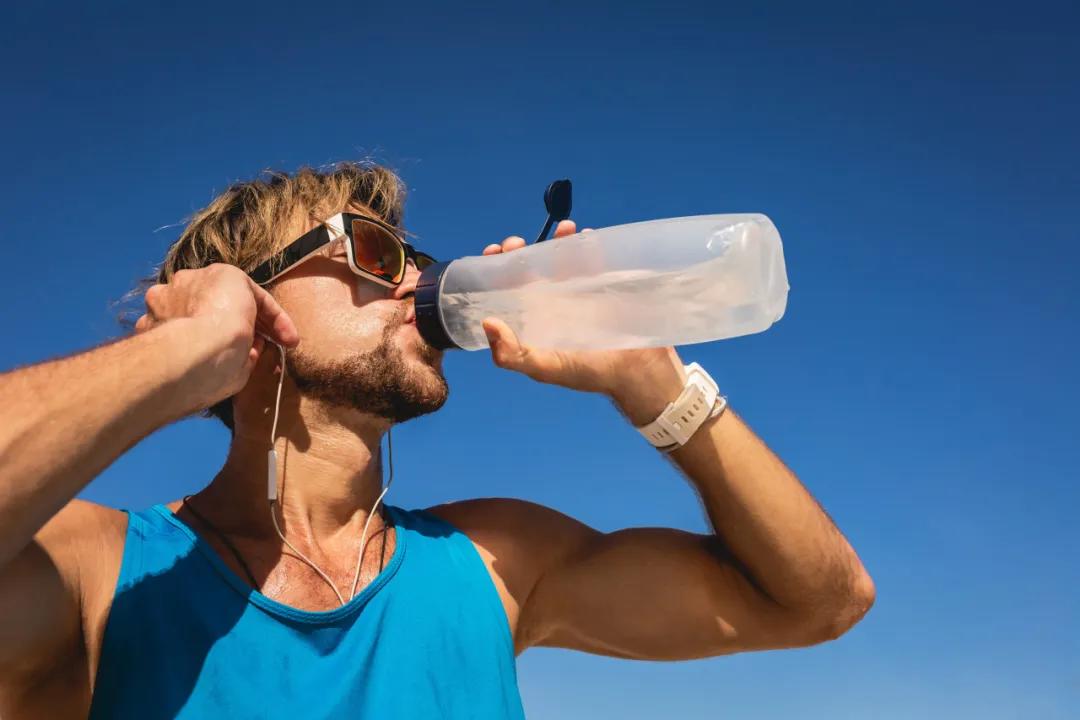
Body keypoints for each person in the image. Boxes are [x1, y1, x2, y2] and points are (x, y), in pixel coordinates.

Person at [0, 162, 874, 719]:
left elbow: (817, 602)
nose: (420, 278)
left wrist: (657, 390)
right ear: (248, 296)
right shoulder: (103, 576)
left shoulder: (494, 560)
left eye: (415, 256)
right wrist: (183, 350)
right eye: (375, 253)